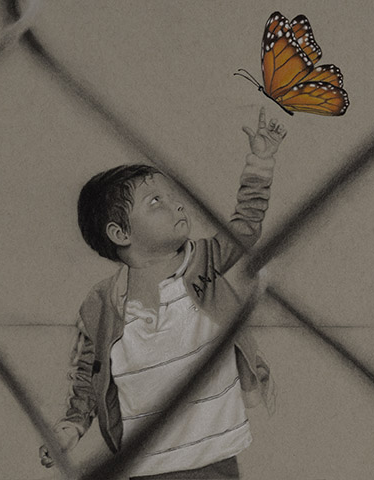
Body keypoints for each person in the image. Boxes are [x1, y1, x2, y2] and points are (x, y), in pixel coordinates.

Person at [39, 107, 285, 479]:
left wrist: (260, 163)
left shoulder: (203, 260)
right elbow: (88, 374)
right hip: (147, 465)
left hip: (215, 455)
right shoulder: (101, 303)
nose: (176, 205)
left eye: (171, 197)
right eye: (155, 202)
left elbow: (245, 228)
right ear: (120, 234)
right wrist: (72, 424)